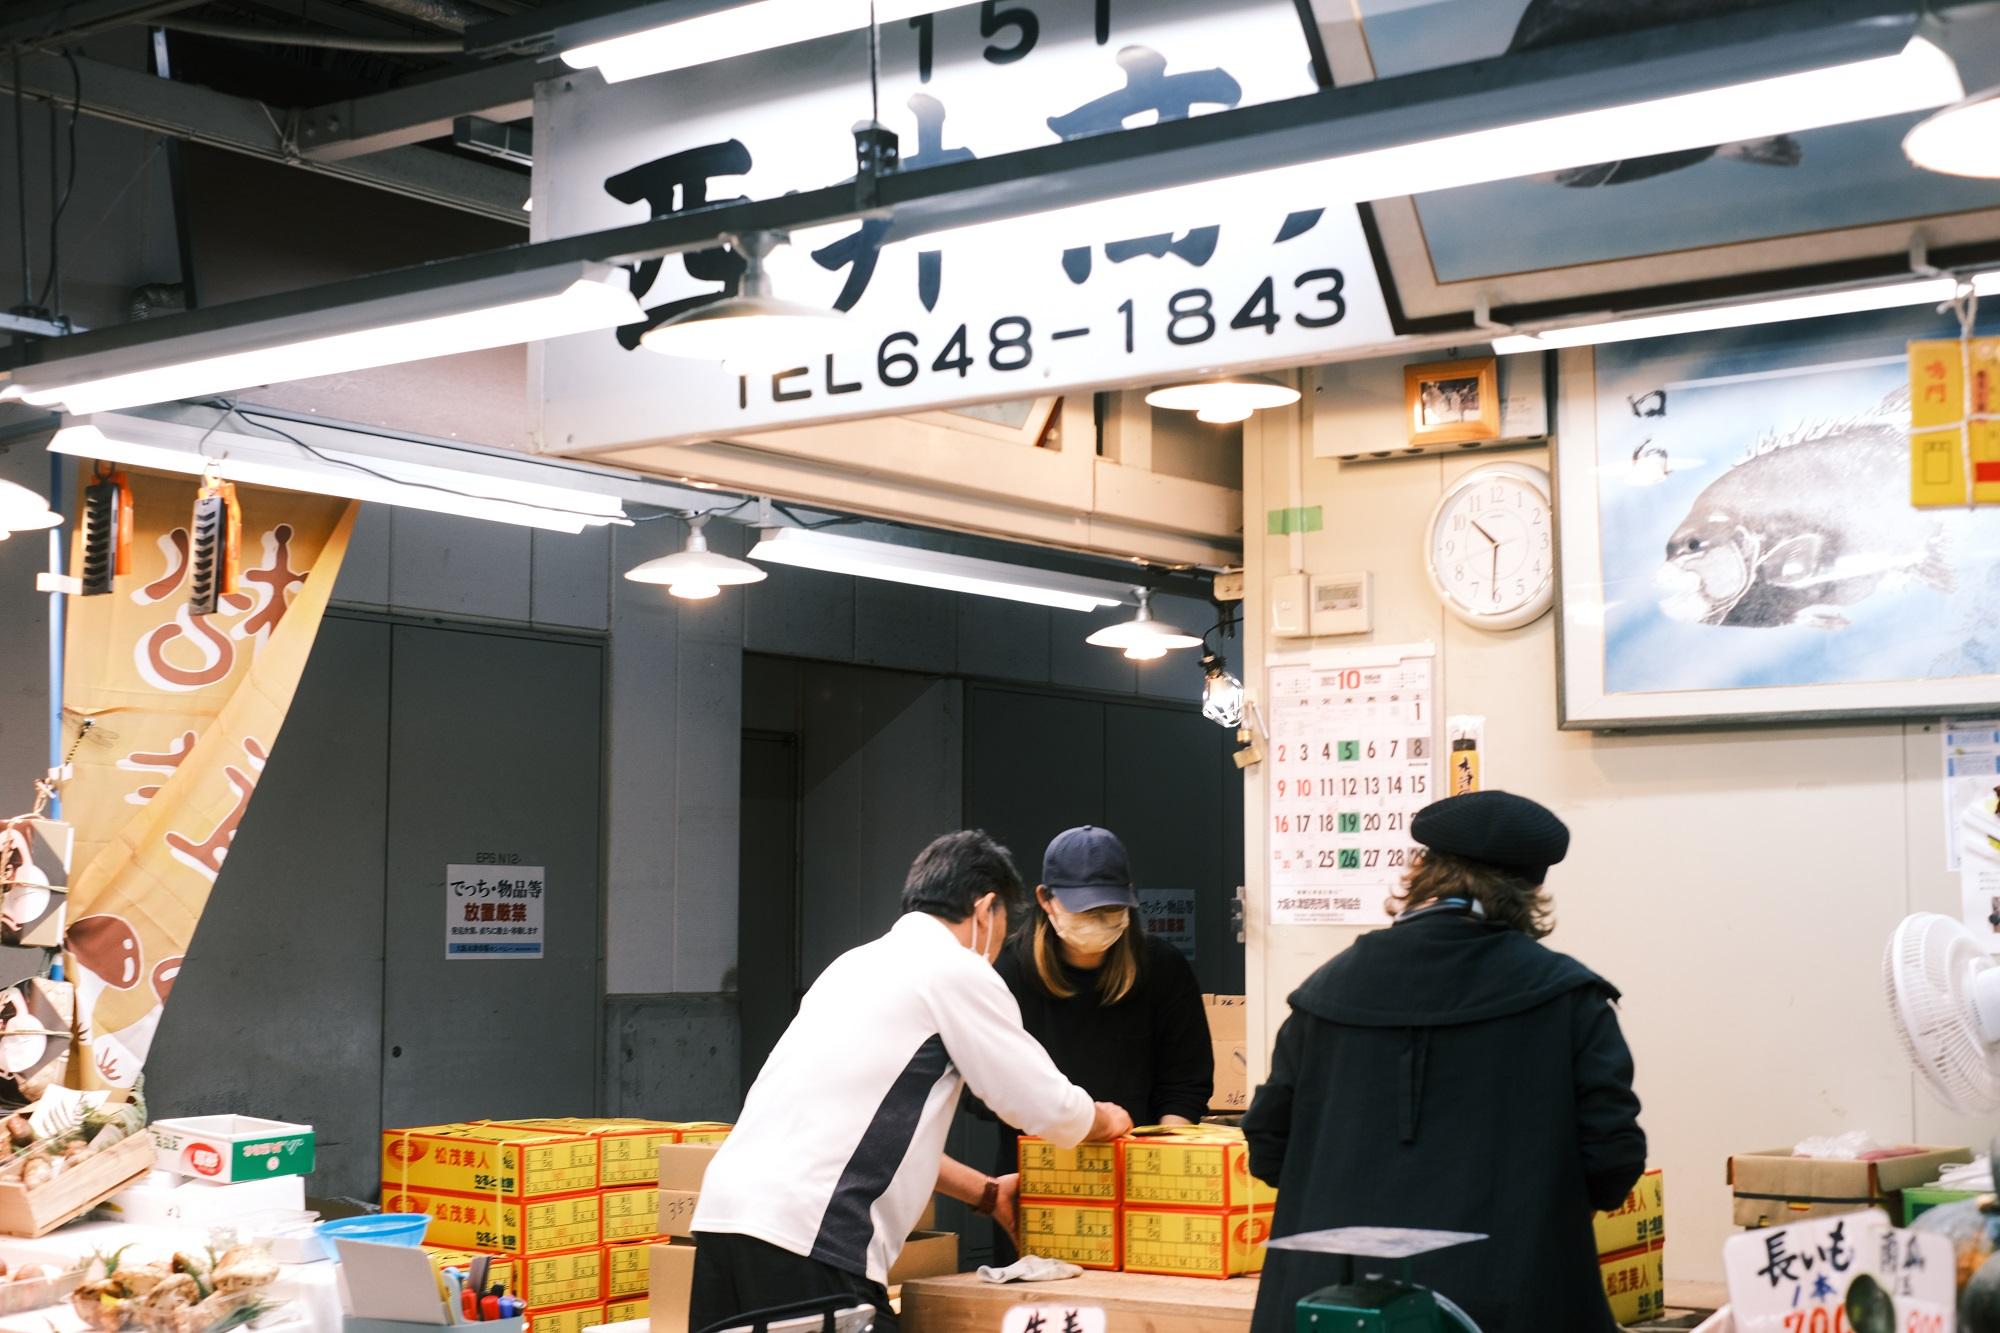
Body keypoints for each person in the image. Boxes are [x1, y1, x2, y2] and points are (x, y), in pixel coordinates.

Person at [689, 830, 1135, 1333]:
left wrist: (986, 1194)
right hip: (811, 1240)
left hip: (724, 1224)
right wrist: (1105, 1119)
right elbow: (1044, 1106)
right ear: (986, 909)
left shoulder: (852, 966)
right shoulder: (955, 969)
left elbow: (862, 1130)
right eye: (1004, 927)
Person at [1243, 791, 1645, 1333]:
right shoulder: (1568, 997)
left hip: (1328, 1303)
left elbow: (1269, 1148)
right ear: (1531, 889)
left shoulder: (1323, 992)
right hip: (1517, 1296)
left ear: (1421, 869)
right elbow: (1613, 1158)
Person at [979, 825, 1212, 1261]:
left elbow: (1186, 1081)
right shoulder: (1005, 973)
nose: (1100, 922)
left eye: (1110, 909)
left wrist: (1161, 1170)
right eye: (1085, 910)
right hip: (1036, 1184)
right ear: (1046, 899)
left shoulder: (1161, 968)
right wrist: (1069, 1120)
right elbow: (980, 1091)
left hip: (1141, 1189)